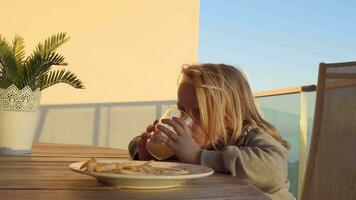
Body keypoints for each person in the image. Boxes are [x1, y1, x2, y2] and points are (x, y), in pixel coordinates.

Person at [128, 63, 294, 200]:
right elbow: (134, 143)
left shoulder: (250, 136)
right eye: (182, 110)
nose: (185, 119)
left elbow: (275, 169)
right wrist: (146, 154)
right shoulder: (195, 143)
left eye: (198, 112)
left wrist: (197, 156)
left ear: (229, 116)